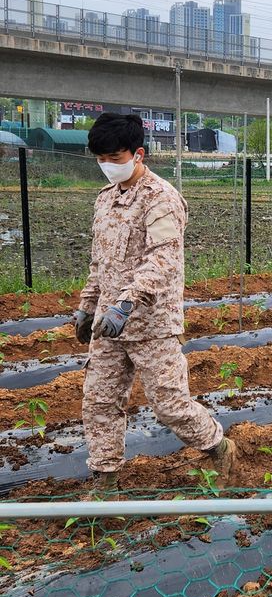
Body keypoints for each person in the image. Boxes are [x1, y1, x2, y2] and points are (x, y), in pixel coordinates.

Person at [73, 112, 237, 490]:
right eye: (101, 159)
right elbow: (100, 263)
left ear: (138, 154)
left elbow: (162, 260)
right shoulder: (105, 200)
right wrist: (88, 305)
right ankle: (105, 482)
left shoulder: (161, 198)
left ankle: (219, 446)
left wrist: (126, 304)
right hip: (109, 325)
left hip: (152, 323)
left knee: (169, 405)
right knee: (99, 402)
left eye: (114, 158)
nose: (107, 165)